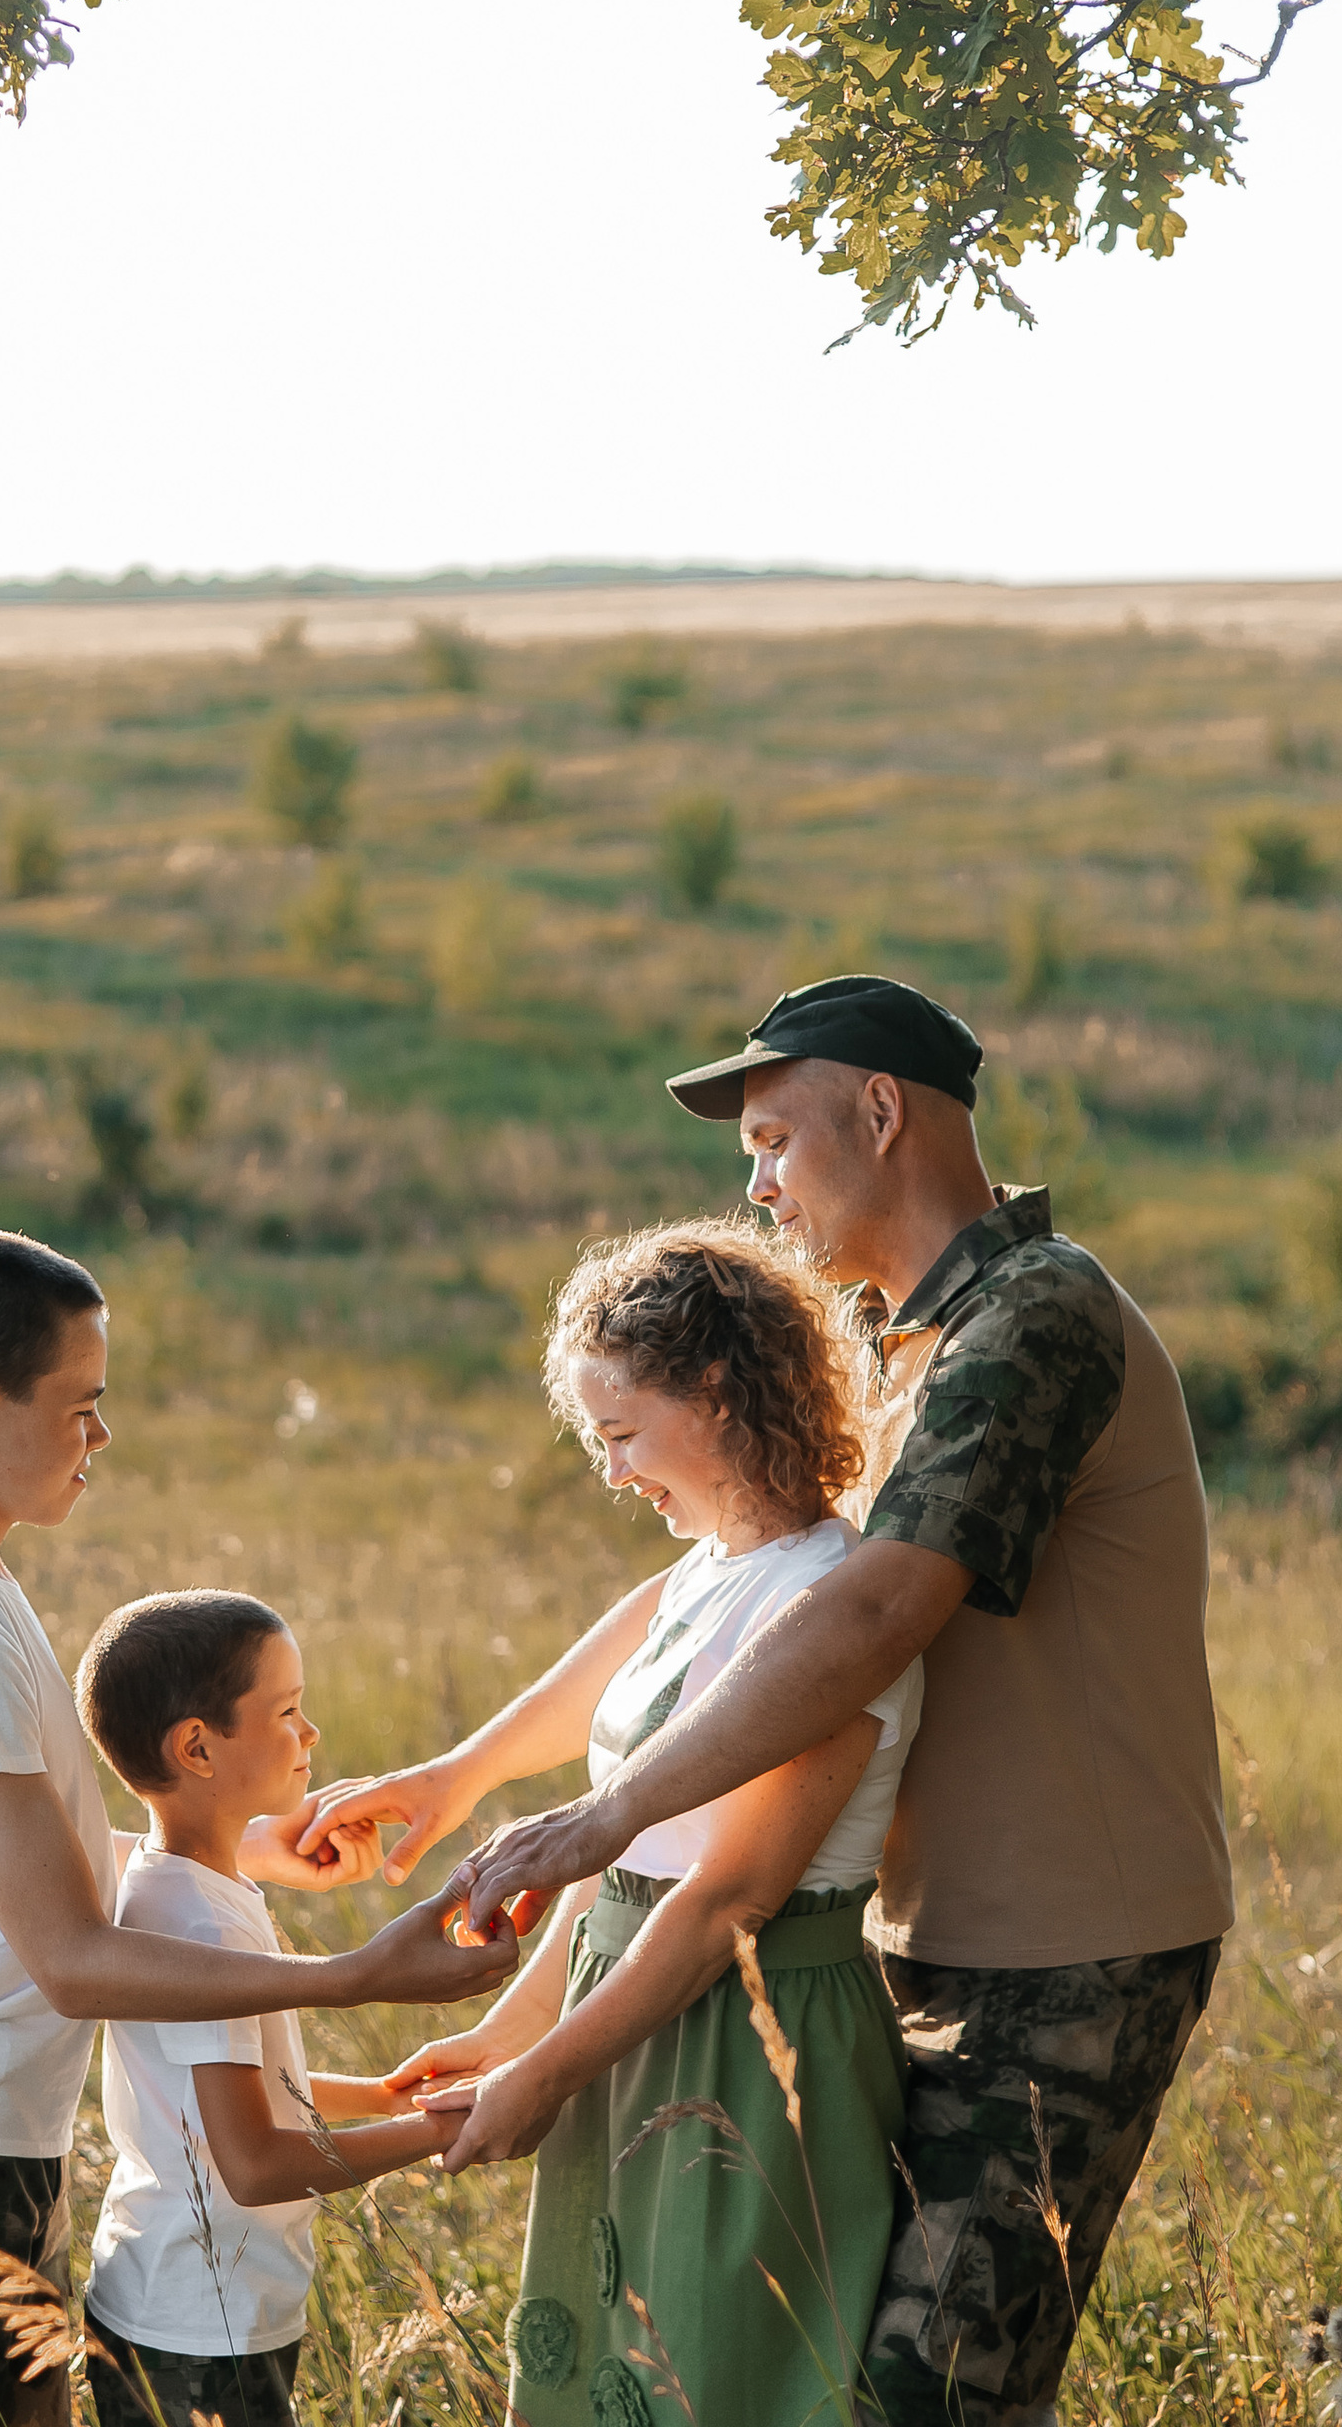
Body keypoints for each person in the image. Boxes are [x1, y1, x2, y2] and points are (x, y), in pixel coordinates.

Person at [314, 977, 1234, 2427]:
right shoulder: (910, 1342)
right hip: (920, 1942)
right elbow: (727, 1590)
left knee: (934, 2394)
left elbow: (867, 1615)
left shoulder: (1036, 1315)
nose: (752, 1184)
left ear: (882, 1115)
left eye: (771, 1139)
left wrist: (606, 1816)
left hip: (1073, 1946)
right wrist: (469, 1773)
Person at [0, 1228, 517, 2427]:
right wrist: (355, 1974)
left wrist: (228, 1846)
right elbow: (67, 1959)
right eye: (82, 1405)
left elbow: (4, 1866)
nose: (100, 1438)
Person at [380, 1219, 919, 2425]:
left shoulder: (832, 1609)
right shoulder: (701, 1570)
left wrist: (546, 2070)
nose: (612, 1471)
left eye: (622, 1434)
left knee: (716, 2384)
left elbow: (727, 1899)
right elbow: (618, 1854)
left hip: (745, 2030)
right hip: (628, 2020)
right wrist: (512, 2032)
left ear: (719, 1394)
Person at [73, 1590, 474, 2427]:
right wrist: (436, 2136)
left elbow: (243, 2090)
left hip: (181, 2302)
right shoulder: (199, 1922)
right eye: (288, 1710)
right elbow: (252, 2164)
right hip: (199, 2327)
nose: (312, 1732)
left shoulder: (183, 1884)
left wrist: (384, 2096)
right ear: (197, 1747)